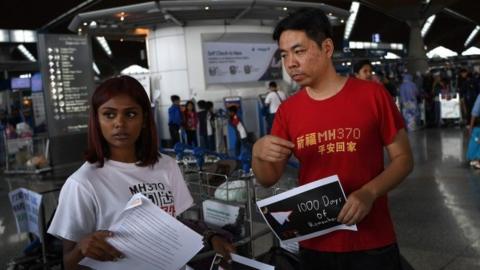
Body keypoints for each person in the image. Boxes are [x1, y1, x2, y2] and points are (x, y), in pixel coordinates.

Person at [252, 8, 413, 270]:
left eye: (299, 51)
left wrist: (369, 193)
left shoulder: (372, 96)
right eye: (284, 55)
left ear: (327, 47)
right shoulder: (288, 111)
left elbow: (404, 159)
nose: (290, 62)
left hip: (372, 241)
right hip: (314, 242)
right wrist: (257, 153)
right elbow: (268, 178)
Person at [47, 76, 234, 270]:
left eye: (130, 114)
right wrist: (81, 248)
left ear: (144, 119)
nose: (119, 123)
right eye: (109, 115)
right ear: (97, 120)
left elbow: (177, 226)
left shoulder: (167, 166)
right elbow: (69, 264)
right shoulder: (83, 183)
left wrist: (211, 237)